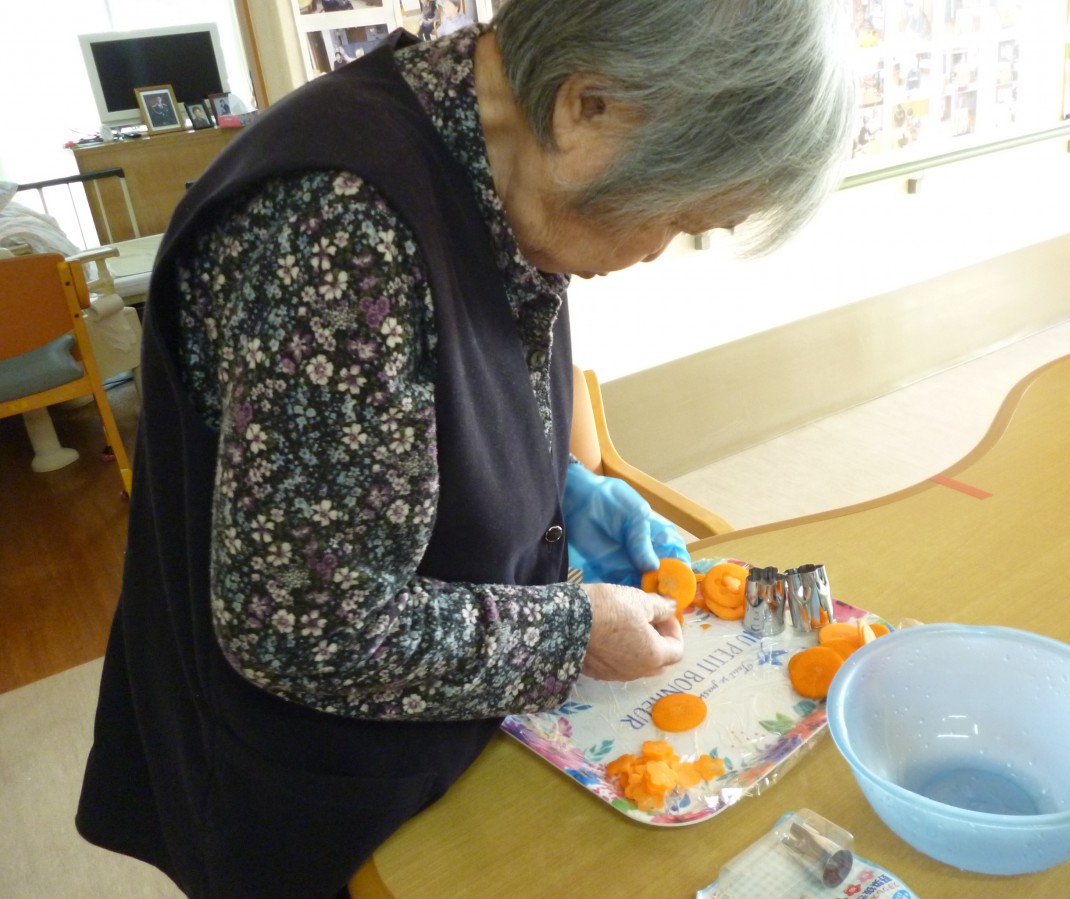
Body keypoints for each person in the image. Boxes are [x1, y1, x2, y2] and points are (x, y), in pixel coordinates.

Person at [75, 2, 854, 897]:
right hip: (323, 784)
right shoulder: (341, 226)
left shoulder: (496, 155)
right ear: (589, 105)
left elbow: (407, 419)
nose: (653, 250)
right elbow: (306, 628)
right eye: (671, 215)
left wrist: (553, 484)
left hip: (444, 723)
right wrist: (572, 629)